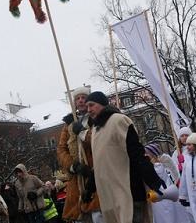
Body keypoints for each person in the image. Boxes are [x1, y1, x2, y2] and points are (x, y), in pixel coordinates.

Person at [85, 91, 165, 223]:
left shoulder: (119, 120)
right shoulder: (95, 130)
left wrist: (152, 179)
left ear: (103, 104)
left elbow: (136, 152)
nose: (89, 110)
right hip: (110, 198)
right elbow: (100, 164)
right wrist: (90, 188)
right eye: (87, 106)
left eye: (92, 105)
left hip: (129, 192)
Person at [56, 86, 103, 223]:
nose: (81, 101)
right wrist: (72, 166)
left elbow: (100, 141)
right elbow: (61, 149)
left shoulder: (96, 118)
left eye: (84, 97)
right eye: (78, 98)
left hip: (95, 174)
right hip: (77, 179)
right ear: (74, 103)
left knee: (98, 213)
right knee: (79, 217)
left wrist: (83, 132)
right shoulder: (68, 124)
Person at [144, 143, 187, 223]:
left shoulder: (157, 167)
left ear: (152, 155)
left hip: (163, 198)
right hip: (157, 199)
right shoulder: (154, 166)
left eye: (147, 153)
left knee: (167, 218)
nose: (145, 155)